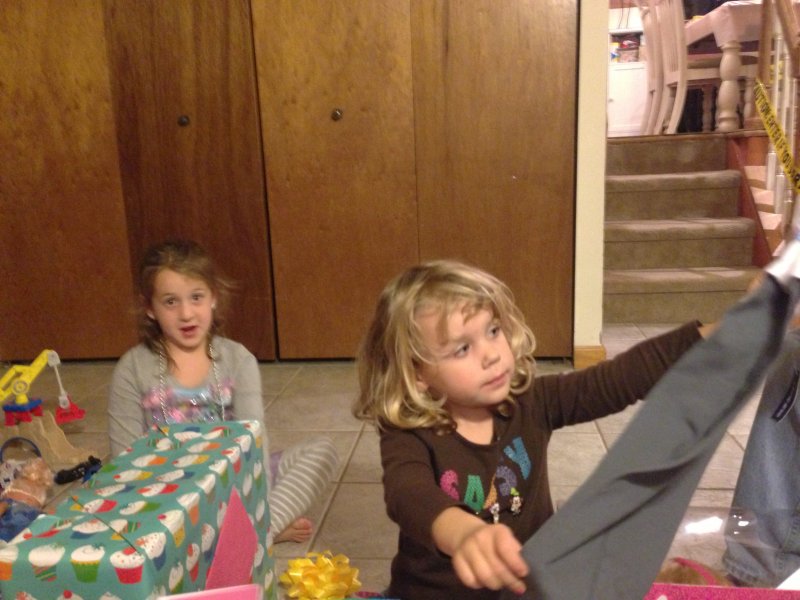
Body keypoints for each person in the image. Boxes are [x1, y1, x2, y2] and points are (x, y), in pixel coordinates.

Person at [352, 259, 714, 599]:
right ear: (417, 372)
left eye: (493, 331)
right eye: (462, 349)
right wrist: (462, 532)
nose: (491, 354)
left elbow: (619, 378)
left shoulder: (532, 403)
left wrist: (713, 338)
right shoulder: (407, 430)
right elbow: (407, 492)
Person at [108, 239, 338, 544]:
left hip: (233, 486)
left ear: (213, 297)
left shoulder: (237, 359)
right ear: (150, 308)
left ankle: (251, 533)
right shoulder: (133, 367)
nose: (187, 314)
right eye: (170, 302)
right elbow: (123, 463)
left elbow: (255, 444)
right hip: (165, 495)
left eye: (196, 297)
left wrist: (256, 499)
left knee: (322, 451)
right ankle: (253, 535)